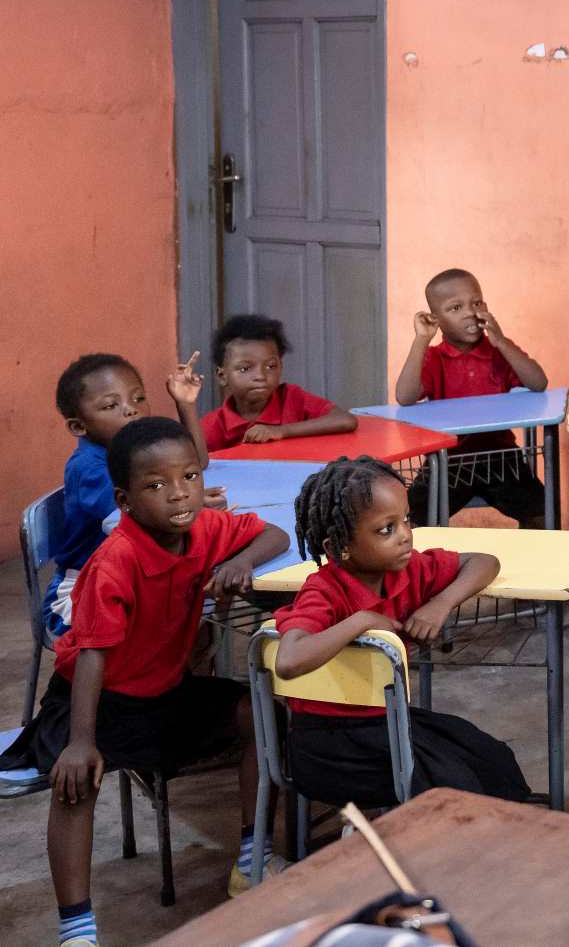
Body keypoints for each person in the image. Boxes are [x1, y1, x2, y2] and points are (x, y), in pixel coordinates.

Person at [0, 418, 291, 942]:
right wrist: (83, 742)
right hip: (94, 699)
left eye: (190, 477)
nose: (178, 494)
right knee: (75, 781)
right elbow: (91, 655)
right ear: (125, 499)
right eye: (156, 486)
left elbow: (274, 533)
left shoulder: (201, 528)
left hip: (164, 695)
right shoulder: (117, 560)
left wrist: (240, 562)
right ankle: (77, 928)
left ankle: (251, 860)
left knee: (261, 712)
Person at [272, 457, 533, 809]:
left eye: (406, 520)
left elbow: (485, 561)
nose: (406, 535)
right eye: (386, 529)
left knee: (489, 756)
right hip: (327, 746)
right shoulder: (322, 591)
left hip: (385, 725)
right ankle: (446, 852)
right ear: (337, 547)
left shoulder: (408, 569)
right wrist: (362, 621)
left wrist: (440, 604)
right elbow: (288, 660)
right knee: (454, 783)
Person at [41, 353, 214, 640]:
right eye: (111, 405)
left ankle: (176, 678)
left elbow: (195, 460)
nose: (131, 410)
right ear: (78, 426)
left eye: (138, 398)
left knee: (195, 604)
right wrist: (188, 497)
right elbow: (142, 519)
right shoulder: (89, 469)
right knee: (185, 606)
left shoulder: (137, 450)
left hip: (127, 575)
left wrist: (185, 404)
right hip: (81, 592)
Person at [395, 268, 548, 527]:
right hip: (447, 461)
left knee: (542, 513)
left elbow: (538, 382)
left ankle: (546, 567)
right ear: (436, 319)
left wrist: (500, 341)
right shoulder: (434, 358)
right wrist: (422, 339)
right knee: (409, 519)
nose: (469, 312)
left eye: (475, 303)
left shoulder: (500, 351)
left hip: (500, 457)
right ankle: (425, 566)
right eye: (455, 308)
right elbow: (405, 396)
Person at [202, 314, 356, 450]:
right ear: (222, 376)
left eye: (270, 366)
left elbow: (345, 420)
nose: (261, 376)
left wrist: (281, 431)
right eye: (245, 369)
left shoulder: (292, 399)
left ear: (281, 367)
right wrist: (186, 405)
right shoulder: (215, 424)